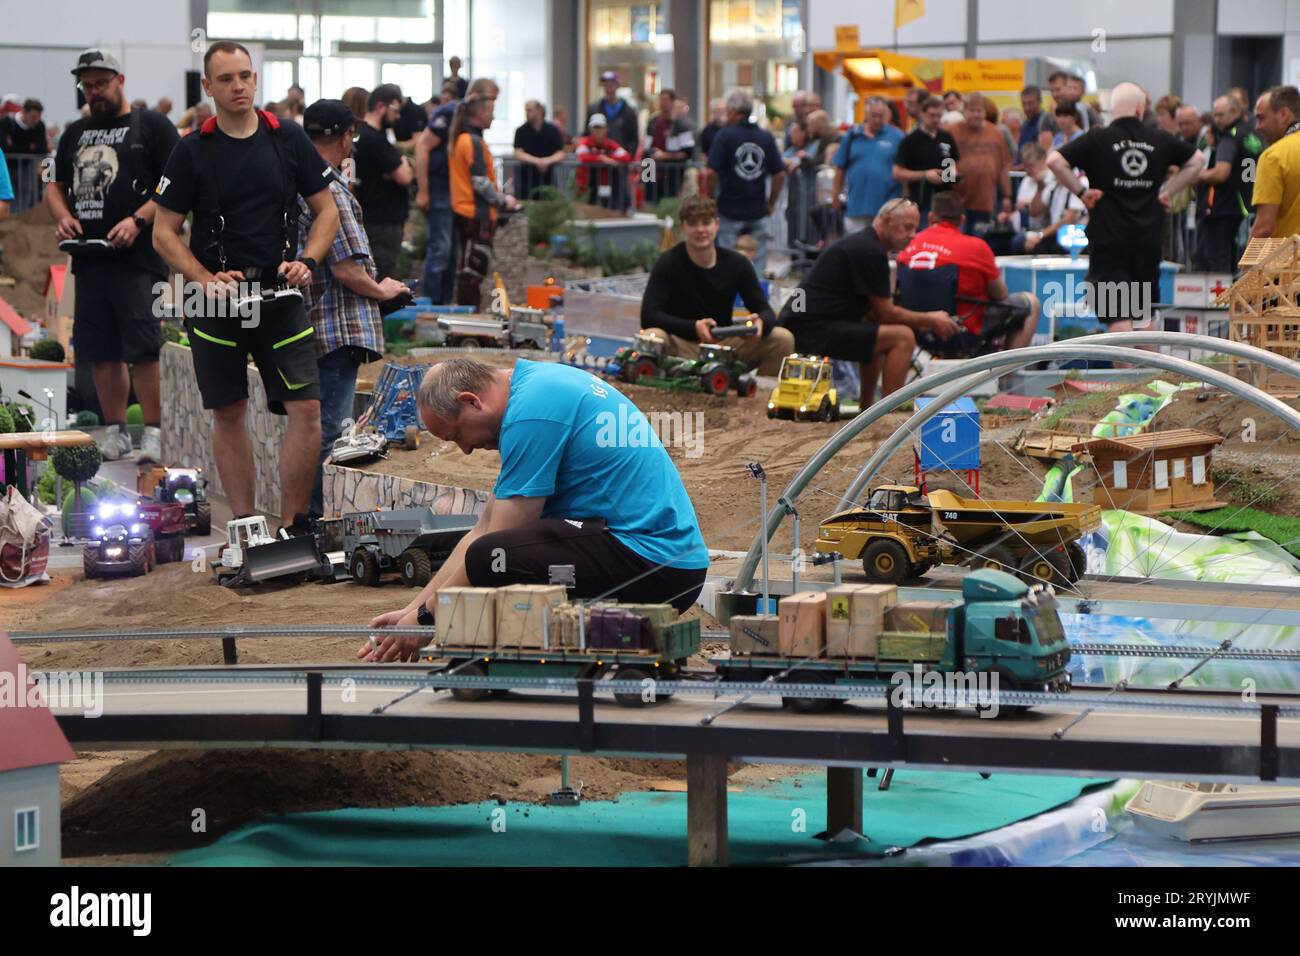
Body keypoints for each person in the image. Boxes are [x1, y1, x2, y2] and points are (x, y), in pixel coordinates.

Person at [360, 357, 709, 662]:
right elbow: (483, 527)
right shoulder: (533, 387)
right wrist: (413, 610)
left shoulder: (532, 416)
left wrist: (425, 620)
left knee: (492, 559)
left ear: (470, 401)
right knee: (491, 553)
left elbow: (495, 543)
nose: (465, 450)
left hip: (658, 567)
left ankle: (519, 651)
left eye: (457, 436)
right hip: (662, 559)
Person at [152, 40, 339, 529]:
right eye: (227, 78)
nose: (238, 85)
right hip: (215, 300)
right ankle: (246, 527)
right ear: (208, 87)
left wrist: (309, 260)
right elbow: (163, 232)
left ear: (255, 79)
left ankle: (295, 528)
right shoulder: (192, 148)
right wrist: (203, 278)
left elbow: (327, 211)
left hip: (279, 295)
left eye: (245, 76)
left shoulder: (288, 138)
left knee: (307, 409)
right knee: (229, 409)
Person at [46, 50, 179, 462]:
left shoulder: (152, 126)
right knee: (99, 350)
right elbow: (53, 182)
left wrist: (138, 220)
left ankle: (154, 432)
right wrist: (64, 216)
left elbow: (175, 182)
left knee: (142, 347)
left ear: (120, 79)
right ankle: (115, 429)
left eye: (101, 83)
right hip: (89, 259)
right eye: (87, 85)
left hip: (138, 260)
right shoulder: (73, 134)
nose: (94, 91)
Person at [298, 99, 410, 520]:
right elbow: (346, 268)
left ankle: (312, 515)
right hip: (335, 328)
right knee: (332, 432)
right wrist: (383, 291)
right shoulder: (330, 189)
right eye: (351, 137)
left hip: (313, 325)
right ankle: (319, 518)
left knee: (320, 427)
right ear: (344, 136)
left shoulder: (301, 178)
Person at [1047, 82, 1203, 337]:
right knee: (1143, 316)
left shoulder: (1098, 138)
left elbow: (1055, 161)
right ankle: (1149, 375)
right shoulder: (1159, 138)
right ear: (1141, 109)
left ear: (1112, 109)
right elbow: (1197, 161)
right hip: (1147, 238)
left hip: (1110, 238)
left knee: (1117, 315)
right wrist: (1167, 192)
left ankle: (1123, 377)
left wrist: (1082, 192)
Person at [777, 198, 956, 404]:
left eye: (915, 228)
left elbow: (877, 314)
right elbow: (886, 313)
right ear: (886, 220)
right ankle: (889, 411)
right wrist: (931, 320)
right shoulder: (870, 250)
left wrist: (921, 320)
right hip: (809, 330)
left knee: (879, 333)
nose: (913, 235)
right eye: (908, 227)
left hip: (804, 325)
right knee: (902, 337)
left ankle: (868, 408)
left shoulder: (867, 244)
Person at [639, 194, 793, 375]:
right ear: (683, 227)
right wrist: (693, 327)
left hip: (724, 344)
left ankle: (761, 395)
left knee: (782, 338)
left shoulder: (737, 263)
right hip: (681, 344)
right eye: (693, 224)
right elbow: (649, 315)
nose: (700, 230)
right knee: (653, 336)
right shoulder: (669, 262)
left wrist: (760, 323)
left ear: (717, 224)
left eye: (706, 222)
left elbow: (764, 310)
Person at [897, 191, 1039, 359]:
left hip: (916, 330)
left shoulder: (906, 244)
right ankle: (1006, 379)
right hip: (960, 332)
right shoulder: (976, 247)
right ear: (962, 220)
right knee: (1031, 304)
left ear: (930, 217)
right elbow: (1000, 294)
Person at [415, 78, 498, 304]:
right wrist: (423, 190)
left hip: (456, 193)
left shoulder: (470, 124)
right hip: (439, 188)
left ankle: (442, 305)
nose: (492, 111)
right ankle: (428, 304)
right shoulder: (451, 112)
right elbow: (423, 146)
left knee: (452, 255)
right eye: (491, 102)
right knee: (440, 250)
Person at [449, 89, 521, 307]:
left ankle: (468, 315)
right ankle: (469, 319)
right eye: (490, 112)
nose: (492, 117)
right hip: (475, 213)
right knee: (472, 273)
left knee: (468, 271)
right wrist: (503, 201)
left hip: (467, 212)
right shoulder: (471, 141)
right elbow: (480, 182)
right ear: (479, 114)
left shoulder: (462, 139)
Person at [708, 88, 784, 271]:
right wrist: (771, 202)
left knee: (726, 263)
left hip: (729, 208)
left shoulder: (725, 136)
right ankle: (754, 296)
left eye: (727, 110)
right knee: (757, 264)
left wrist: (710, 199)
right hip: (757, 208)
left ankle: (728, 297)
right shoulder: (766, 137)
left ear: (734, 112)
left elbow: (710, 172)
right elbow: (779, 174)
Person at [1194, 94, 1262, 271]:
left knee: (1216, 260)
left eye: (1220, 115)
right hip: (1250, 204)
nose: (1216, 120)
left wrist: (1197, 175)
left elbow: (1221, 173)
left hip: (1224, 207)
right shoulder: (1253, 134)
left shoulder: (1230, 136)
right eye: (1214, 115)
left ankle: (1222, 298)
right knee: (1235, 258)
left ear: (1234, 112)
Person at [353, 84, 414, 280]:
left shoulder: (365, 136)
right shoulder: (374, 140)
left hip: (375, 219)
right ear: (381, 107)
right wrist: (403, 162)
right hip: (382, 224)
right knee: (381, 279)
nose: (397, 117)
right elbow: (404, 176)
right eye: (395, 110)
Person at [833, 96, 904, 235]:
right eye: (874, 115)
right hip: (856, 205)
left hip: (886, 207)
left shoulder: (897, 137)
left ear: (887, 115)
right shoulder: (852, 135)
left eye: (881, 116)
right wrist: (836, 194)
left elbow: (903, 167)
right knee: (856, 246)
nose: (877, 120)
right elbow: (840, 167)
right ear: (866, 114)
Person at [946, 93, 1013, 238]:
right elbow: (944, 162)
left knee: (981, 239)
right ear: (964, 112)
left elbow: (1004, 167)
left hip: (986, 200)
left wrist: (1007, 196)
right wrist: (948, 188)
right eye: (971, 111)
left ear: (984, 113)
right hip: (957, 200)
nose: (975, 115)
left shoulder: (996, 133)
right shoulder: (951, 132)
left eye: (979, 111)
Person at [893, 95, 960, 229]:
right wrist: (925, 175)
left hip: (945, 203)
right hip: (920, 203)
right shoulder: (910, 140)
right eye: (932, 115)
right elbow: (897, 173)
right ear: (922, 114)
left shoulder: (946, 137)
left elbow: (953, 165)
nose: (935, 119)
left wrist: (951, 175)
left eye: (939, 116)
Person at [1012, 142, 1085, 254]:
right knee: (1020, 242)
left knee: (1051, 247)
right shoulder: (1053, 185)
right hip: (1056, 234)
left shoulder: (1080, 183)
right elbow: (1034, 212)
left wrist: (1041, 235)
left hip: (1075, 235)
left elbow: (1069, 219)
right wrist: (1040, 188)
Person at [1251, 86, 1300, 240]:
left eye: (1261, 118)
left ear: (1284, 114)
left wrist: (1247, 263)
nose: (1257, 127)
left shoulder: (1273, 156)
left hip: (1287, 261)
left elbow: (1264, 227)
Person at [643, 88, 695, 202]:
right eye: (661, 99)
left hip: (672, 174)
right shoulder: (653, 122)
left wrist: (665, 155)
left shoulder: (682, 125)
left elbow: (687, 153)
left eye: (666, 100)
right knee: (650, 202)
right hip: (652, 170)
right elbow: (646, 147)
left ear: (673, 102)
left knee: (670, 203)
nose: (663, 103)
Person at [575, 113, 633, 209]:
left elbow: (626, 156)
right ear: (590, 129)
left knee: (611, 207)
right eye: (595, 127)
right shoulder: (585, 143)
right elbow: (582, 156)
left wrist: (608, 158)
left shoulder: (610, 144)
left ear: (606, 129)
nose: (598, 131)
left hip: (609, 183)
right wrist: (602, 159)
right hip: (589, 184)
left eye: (600, 127)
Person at [512, 99, 567, 200]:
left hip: (548, 180)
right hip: (526, 181)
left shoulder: (552, 130)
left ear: (539, 111)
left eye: (530, 110)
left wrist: (547, 161)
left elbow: (560, 152)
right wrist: (536, 161)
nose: (527, 113)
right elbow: (518, 153)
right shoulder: (521, 131)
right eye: (526, 111)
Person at [586, 70, 639, 156]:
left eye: (611, 85)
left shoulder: (628, 111)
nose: (608, 88)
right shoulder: (594, 109)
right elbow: (587, 134)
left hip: (620, 159)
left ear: (617, 86)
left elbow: (633, 138)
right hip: (598, 160)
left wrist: (628, 156)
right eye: (605, 85)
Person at [1019, 85, 1057, 151]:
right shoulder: (1025, 124)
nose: (1027, 108)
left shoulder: (1047, 121)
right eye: (1024, 104)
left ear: (1040, 101)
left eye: (1030, 103)